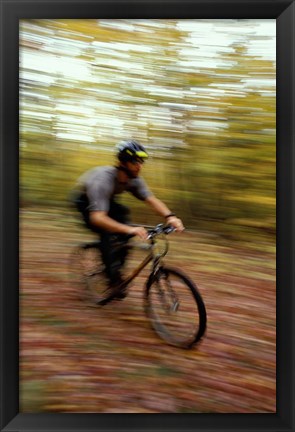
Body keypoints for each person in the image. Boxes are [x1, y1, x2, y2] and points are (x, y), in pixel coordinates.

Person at [72, 139, 184, 299]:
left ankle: (116, 268)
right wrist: (129, 229)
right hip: (84, 202)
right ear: (122, 162)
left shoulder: (135, 180)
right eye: (135, 161)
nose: (140, 165)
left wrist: (170, 216)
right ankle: (112, 278)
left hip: (107, 201)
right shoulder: (103, 180)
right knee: (108, 232)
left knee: (124, 220)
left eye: (141, 161)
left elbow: (151, 200)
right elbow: (97, 217)